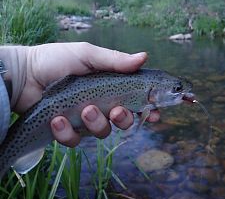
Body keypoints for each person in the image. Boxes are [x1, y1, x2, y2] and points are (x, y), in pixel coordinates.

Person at [0, 42, 160, 146]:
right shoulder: (146, 98)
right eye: (177, 89)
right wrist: (24, 68)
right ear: (152, 93)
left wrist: (23, 67)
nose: (179, 94)